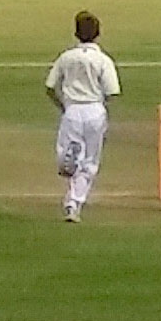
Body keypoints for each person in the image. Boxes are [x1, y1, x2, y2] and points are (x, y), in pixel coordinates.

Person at [46, 11, 121, 223]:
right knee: (90, 161)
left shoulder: (67, 57)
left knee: (67, 159)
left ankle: (72, 195)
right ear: (98, 34)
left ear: (76, 33)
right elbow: (112, 92)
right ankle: (75, 201)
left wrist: (63, 105)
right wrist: (100, 109)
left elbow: (50, 87)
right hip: (95, 111)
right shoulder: (103, 60)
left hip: (72, 111)